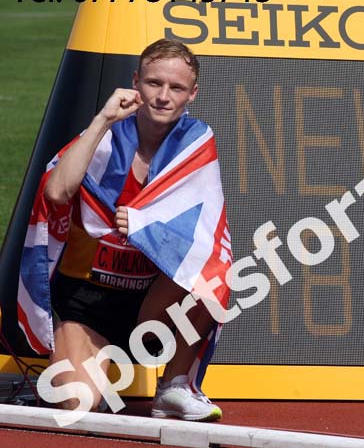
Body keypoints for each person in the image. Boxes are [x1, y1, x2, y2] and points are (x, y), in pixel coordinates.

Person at [17, 39, 231, 422]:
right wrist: (102, 120)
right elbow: (57, 191)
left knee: (212, 268)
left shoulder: (196, 141)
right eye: (153, 83)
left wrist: (144, 223)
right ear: (135, 82)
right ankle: (87, 368)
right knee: (77, 406)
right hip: (87, 301)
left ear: (192, 94)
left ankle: (175, 385)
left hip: (150, 306)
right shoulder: (106, 137)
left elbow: (202, 233)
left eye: (176, 88)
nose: (163, 96)